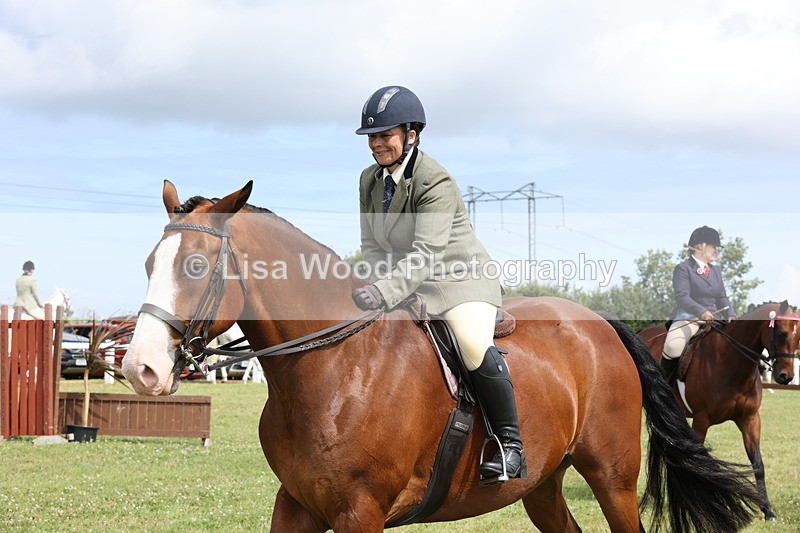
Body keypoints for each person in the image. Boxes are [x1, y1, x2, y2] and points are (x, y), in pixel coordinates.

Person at [351, 86, 526, 482]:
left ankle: (510, 446)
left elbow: (426, 252)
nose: (377, 144)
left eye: (385, 135)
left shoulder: (434, 180)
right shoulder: (368, 180)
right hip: (408, 283)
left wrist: (386, 291)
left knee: (470, 342)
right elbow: (371, 245)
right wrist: (382, 284)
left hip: (459, 280)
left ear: (411, 135)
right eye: (371, 137)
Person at [662, 226, 736, 377]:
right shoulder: (683, 269)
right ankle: (665, 388)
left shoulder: (716, 271)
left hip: (715, 319)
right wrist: (701, 311)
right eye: (713, 246)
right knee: (672, 346)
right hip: (689, 318)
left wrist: (731, 313)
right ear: (701, 247)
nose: (716, 250)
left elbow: (722, 297)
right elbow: (682, 297)